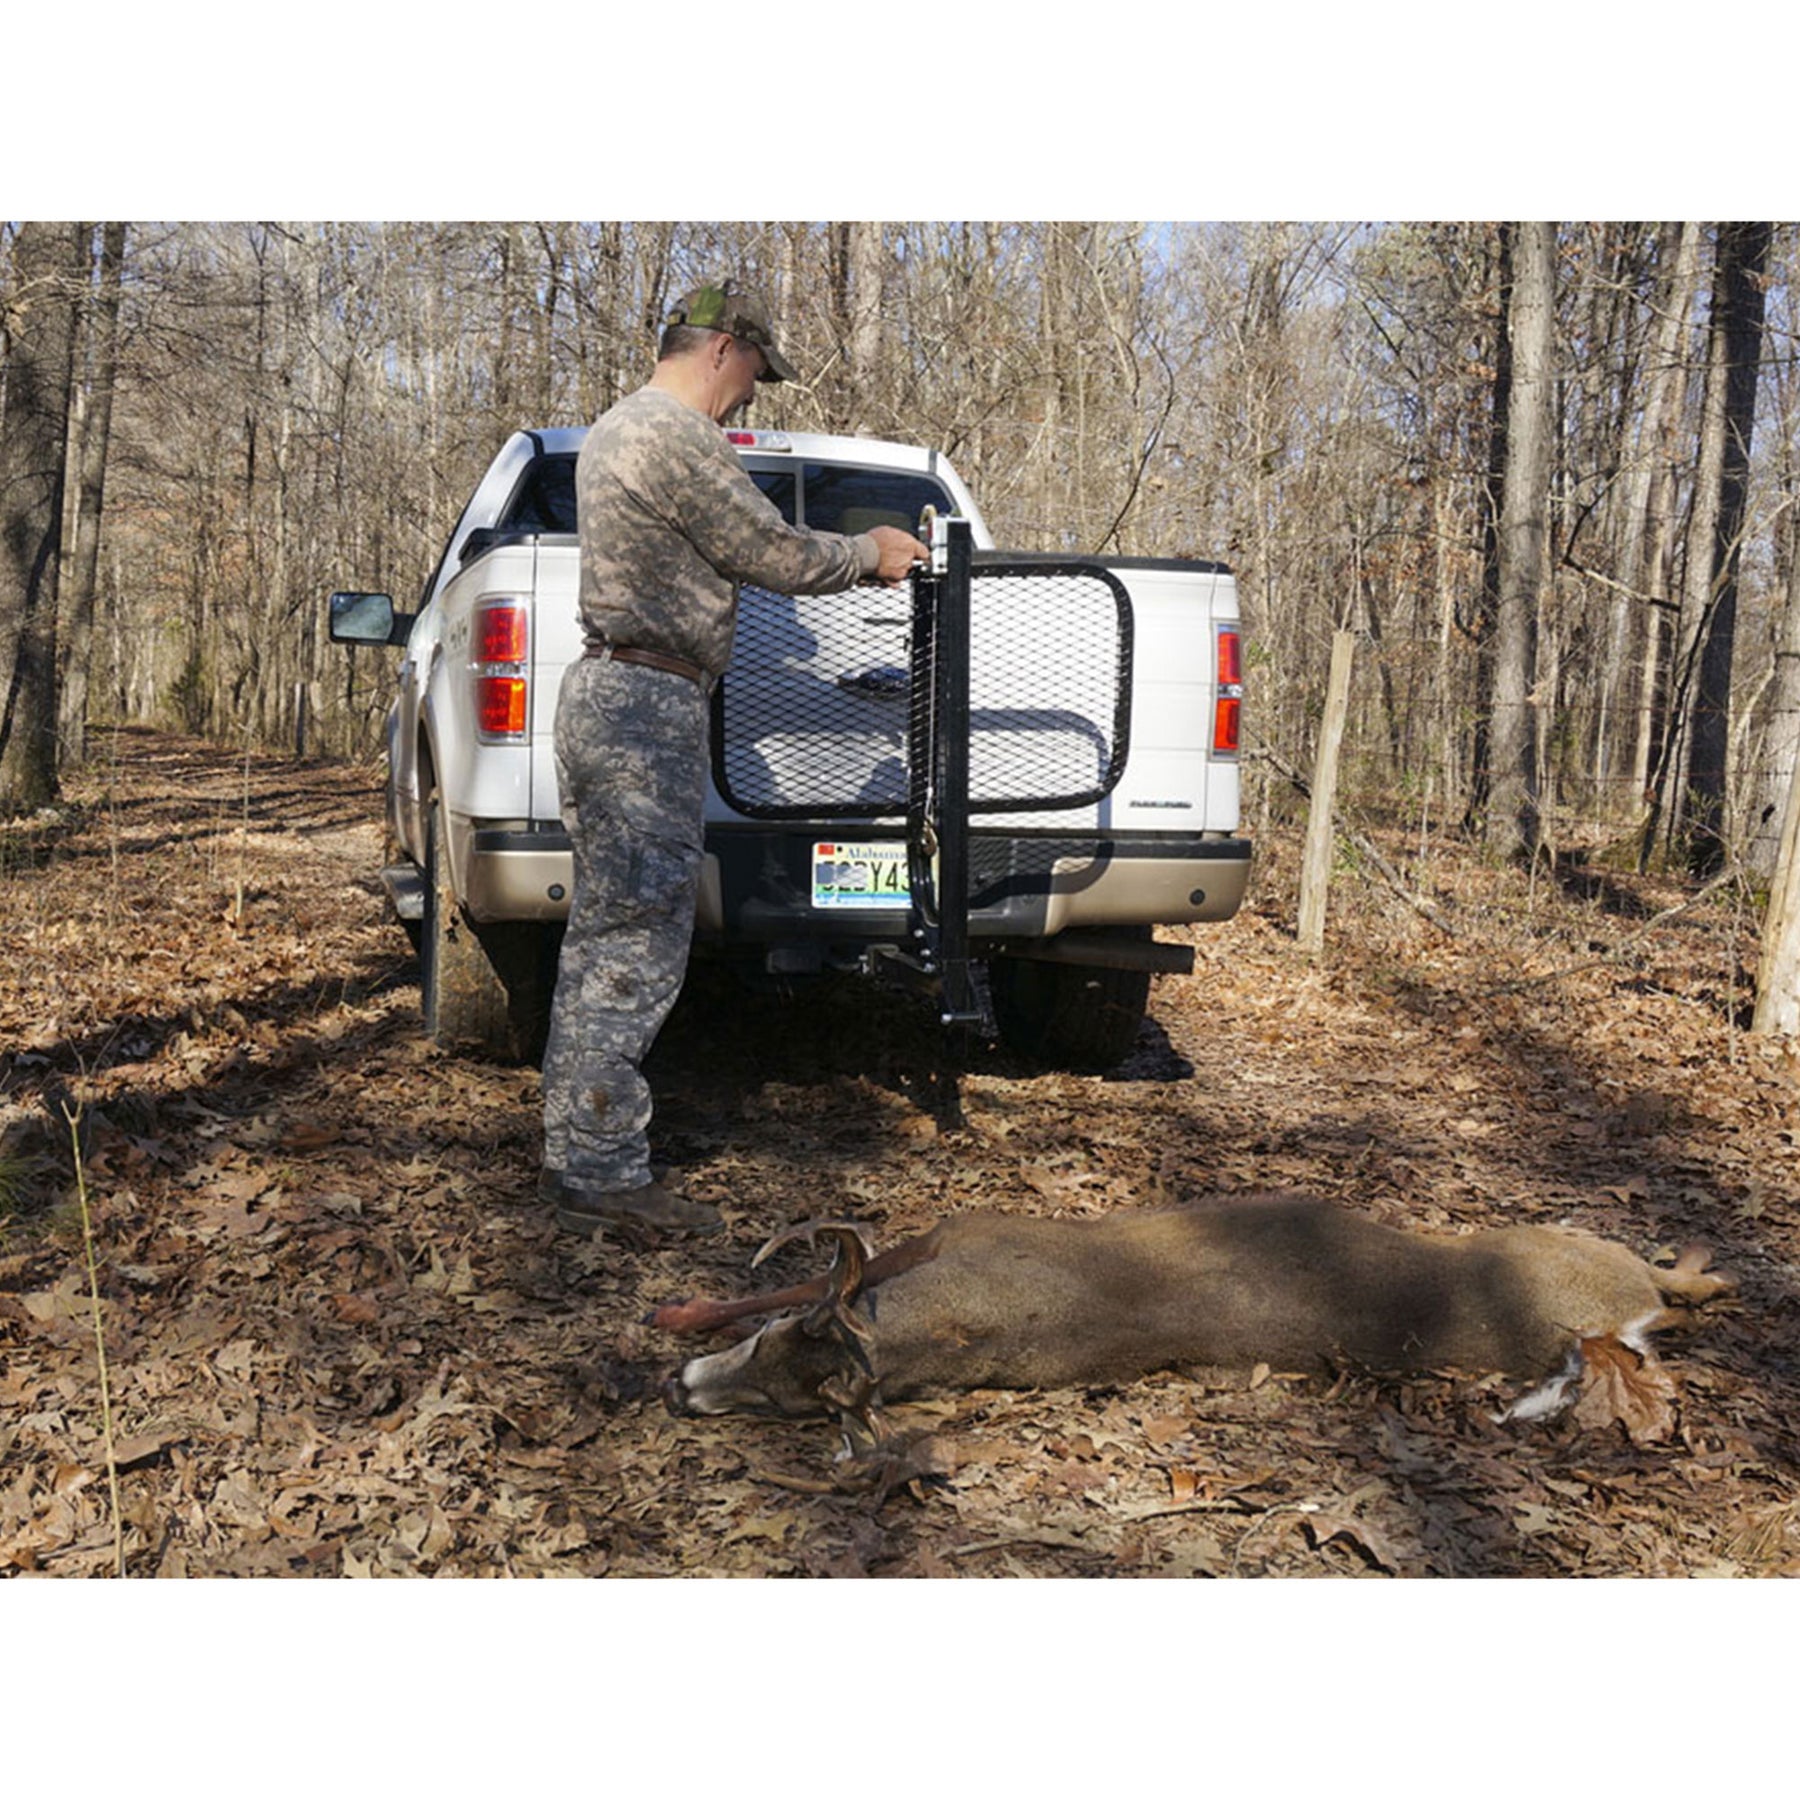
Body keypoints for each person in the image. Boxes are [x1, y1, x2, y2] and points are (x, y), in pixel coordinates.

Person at [540, 279, 930, 1238]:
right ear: (721, 348)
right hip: (644, 707)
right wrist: (871, 553)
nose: (753, 391)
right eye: (755, 370)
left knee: (608, 932)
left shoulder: (620, 428)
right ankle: (600, 1173)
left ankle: (581, 1151)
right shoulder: (672, 434)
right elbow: (772, 552)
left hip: (620, 698)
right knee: (633, 941)